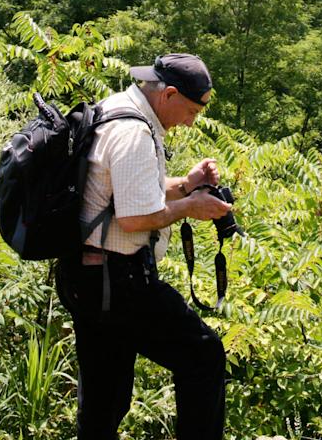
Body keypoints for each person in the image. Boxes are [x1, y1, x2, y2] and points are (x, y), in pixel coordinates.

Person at [55, 53, 234, 440]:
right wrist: (191, 206)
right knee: (203, 355)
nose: (190, 121)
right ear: (168, 93)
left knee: (105, 400)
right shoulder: (135, 132)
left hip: (86, 274)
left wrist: (186, 184)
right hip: (118, 282)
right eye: (190, 111)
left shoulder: (117, 108)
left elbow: (127, 190)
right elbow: (134, 218)